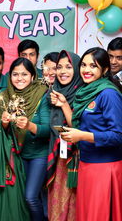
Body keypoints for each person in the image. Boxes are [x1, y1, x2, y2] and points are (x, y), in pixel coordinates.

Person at [0, 57, 48, 221]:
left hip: (38, 154)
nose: (19, 78)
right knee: (19, 199)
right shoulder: (4, 97)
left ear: (32, 76)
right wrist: (3, 124)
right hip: (15, 156)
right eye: (15, 74)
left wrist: (29, 125)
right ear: (10, 77)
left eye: (24, 74)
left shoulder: (42, 94)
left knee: (30, 197)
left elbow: (48, 130)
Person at [60, 47, 122, 221]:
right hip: (87, 164)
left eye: (93, 66)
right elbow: (81, 124)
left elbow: (118, 135)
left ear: (105, 69)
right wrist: (64, 104)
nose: (86, 70)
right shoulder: (86, 92)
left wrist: (83, 136)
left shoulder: (108, 94)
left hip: (105, 167)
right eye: (84, 65)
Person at [47, 50, 82, 221]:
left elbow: (78, 127)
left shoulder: (84, 93)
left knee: (75, 200)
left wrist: (64, 104)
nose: (62, 71)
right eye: (59, 67)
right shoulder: (52, 93)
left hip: (78, 157)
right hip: (58, 155)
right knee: (57, 200)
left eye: (68, 67)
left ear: (76, 69)